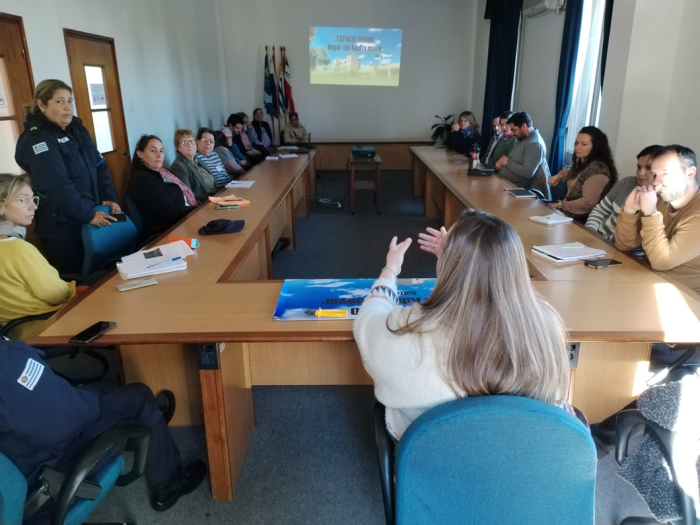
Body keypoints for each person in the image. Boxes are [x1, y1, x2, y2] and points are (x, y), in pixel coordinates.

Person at [354, 210, 571, 441]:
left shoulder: (412, 326)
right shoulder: (547, 324)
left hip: (436, 451)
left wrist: (390, 271)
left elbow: (368, 323)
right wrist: (451, 263)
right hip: (521, 455)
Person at [0, 337, 207, 520]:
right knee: (137, 397)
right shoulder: (5, 363)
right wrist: (88, 396)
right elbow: (71, 417)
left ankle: (141, 435)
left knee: (97, 402)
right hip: (46, 478)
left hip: (18, 469)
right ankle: (168, 486)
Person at [14, 79, 120, 274]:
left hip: (93, 213)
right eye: (59, 101)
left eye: (70, 101)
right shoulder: (37, 139)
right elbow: (57, 184)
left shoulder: (77, 129)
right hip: (63, 225)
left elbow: (99, 165)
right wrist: (87, 214)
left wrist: (109, 197)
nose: (67, 107)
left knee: (104, 271)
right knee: (80, 279)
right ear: (42, 105)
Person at [0, 174, 77, 340]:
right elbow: (56, 294)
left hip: (11, 332)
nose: (33, 206)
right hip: (43, 327)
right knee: (100, 283)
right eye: (23, 200)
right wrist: (74, 288)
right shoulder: (17, 248)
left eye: (32, 199)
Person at [615, 145, 700, 294]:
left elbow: (661, 262)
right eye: (654, 175)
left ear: (690, 173)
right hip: (648, 281)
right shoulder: (663, 200)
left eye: (665, 174)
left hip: (684, 297)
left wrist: (651, 213)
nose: (655, 183)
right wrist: (629, 210)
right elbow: (625, 244)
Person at [586, 145, 661, 241]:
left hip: (623, 249)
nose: (641, 173)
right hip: (598, 236)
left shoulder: (662, 201)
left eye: (648, 168)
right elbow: (599, 210)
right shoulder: (627, 183)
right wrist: (590, 231)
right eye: (639, 167)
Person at [126, 135, 195, 237]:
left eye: (161, 151)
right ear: (140, 154)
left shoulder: (163, 172)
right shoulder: (143, 179)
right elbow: (170, 211)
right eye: (153, 151)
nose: (159, 155)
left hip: (184, 219)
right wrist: (197, 209)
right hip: (168, 230)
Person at [548, 126, 618, 219]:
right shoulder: (583, 163)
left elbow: (587, 203)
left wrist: (560, 204)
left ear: (595, 147)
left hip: (582, 220)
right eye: (576, 143)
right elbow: (570, 171)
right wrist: (558, 176)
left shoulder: (598, 169)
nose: (577, 147)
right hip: (568, 214)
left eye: (584, 144)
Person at [495, 111, 551, 199]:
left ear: (524, 126)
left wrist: (506, 162)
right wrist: (502, 165)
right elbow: (515, 161)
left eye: (514, 130)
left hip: (516, 191)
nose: (512, 133)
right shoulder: (523, 138)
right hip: (506, 184)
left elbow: (527, 172)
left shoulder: (535, 144)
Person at [169, 129, 216, 203]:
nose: (190, 145)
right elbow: (188, 193)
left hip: (215, 197)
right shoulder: (178, 165)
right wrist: (212, 198)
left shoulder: (197, 160)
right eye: (185, 142)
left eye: (192, 141)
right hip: (203, 203)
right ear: (178, 147)